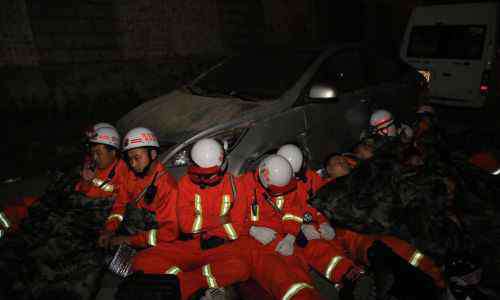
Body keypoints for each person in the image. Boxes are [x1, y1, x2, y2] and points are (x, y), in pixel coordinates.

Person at [131, 140, 320, 300]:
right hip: (195, 244)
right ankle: (183, 284)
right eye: (200, 175)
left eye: (209, 175)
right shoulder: (186, 184)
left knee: (240, 268)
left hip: (224, 248)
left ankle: (182, 286)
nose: (204, 180)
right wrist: (220, 220)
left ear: (222, 166)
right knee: (143, 260)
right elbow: (187, 226)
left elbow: (236, 229)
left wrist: (290, 234)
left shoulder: (235, 186)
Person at [98, 127, 179, 250]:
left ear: (153, 154)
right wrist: (109, 229)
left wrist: (129, 240)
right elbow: (120, 206)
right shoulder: (131, 176)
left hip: (153, 242)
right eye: (130, 159)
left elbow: (170, 233)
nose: (133, 164)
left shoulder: (167, 187)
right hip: (133, 231)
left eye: (137, 158)